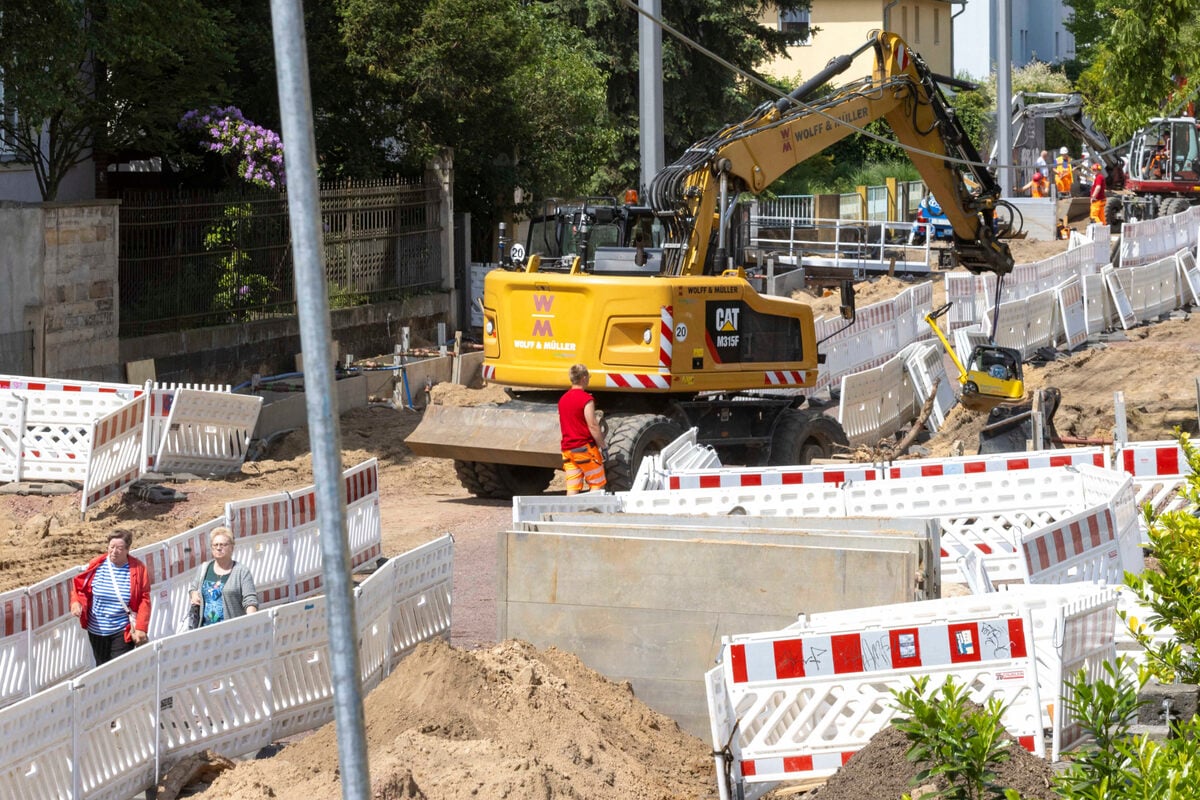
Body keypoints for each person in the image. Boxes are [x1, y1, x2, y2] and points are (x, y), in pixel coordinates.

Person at [70, 529, 151, 666]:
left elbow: (144, 599)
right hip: (97, 629)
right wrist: (75, 603)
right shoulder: (97, 564)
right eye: (111, 547)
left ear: (127, 549)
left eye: (119, 548)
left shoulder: (138, 569)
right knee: (102, 667)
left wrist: (141, 627)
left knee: (118, 668)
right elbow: (80, 589)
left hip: (121, 628)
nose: (114, 552)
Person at [189, 526, 259, 627]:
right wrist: (193, 594)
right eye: (215, 545)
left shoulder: (241, 571)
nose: (218, 548)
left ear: (232, 547)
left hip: (230, 632)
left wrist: (251, 623)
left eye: (223, 545)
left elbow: (250, 600)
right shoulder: (204, 568)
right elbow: (193, 588)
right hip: (204, 631)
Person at [558, 363, 606, 495]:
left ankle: (568, 515)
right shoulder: (586, 399)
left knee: (573, 488)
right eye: (588, 376)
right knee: (597, 484)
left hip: (568, 451)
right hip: (585, 449)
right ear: (584, 378)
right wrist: (603, 446)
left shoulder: (563, 399)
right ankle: (593, 514)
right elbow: (593, 425)